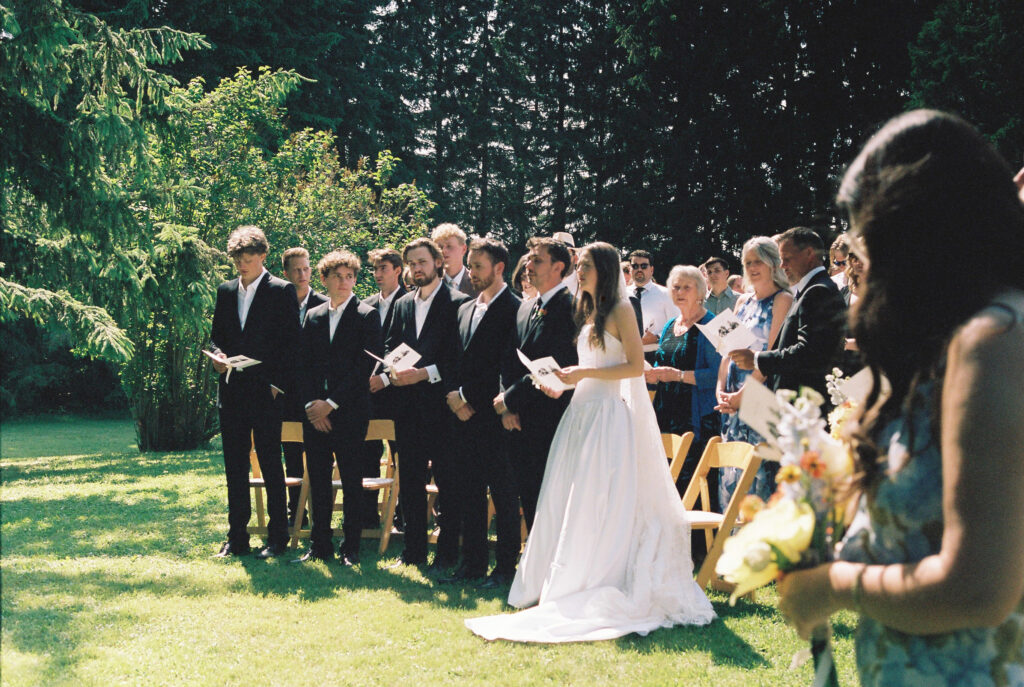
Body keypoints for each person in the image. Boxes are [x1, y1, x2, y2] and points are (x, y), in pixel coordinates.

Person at [778, 109, 1024, 686]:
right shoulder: (956, 340)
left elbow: (979, 589)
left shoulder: (997, 339)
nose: (866, 263)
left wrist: (834, 584)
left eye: (875, 236)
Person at [466, 242, 716, 642]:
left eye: (584, 266)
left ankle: (598, 578)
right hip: (578, 412)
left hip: (606, 415)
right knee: (567, 498)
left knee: (599, 499)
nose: (578, 272)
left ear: (602, 268)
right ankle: (557, 579)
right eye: (577, 266)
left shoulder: (620, 310)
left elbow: (634, 366)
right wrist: (559, 382)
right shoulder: (587, 311)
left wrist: (582, 373)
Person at [208, 225, 301, 558]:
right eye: (237, 258)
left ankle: (277, 538)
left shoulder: (281, 290)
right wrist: (217, 356)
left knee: (270, 465)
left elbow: (292, 345)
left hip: (266, 393)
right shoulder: (225, 290)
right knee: (234, 468)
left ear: (262, 255)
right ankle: (237, 538)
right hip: (231, 390)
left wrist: (277, 386)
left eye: (247, 257)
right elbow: (216, 335)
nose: (241, 264)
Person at [440, 238, 522, 588]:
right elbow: (453, 359)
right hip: (462, 416)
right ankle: (471, 564)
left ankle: (504, 569)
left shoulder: (516, 309)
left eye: (478, 266)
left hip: (495, 415)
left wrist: (469, 396)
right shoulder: (464, 308)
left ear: (499, 268)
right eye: (470, 265)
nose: (471, 272)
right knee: (468, 493)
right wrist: (453, 396)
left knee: (503, 495)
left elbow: (506, 365)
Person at [383, 238, 469, 569]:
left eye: (422, 261)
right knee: (412, 484)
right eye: (412, 263)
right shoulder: (402, 304)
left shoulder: (458, 302)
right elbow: (391, 344)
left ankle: (447, 554)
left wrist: (424, 374)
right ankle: (413, 552)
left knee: (448, 483)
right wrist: (391, 370)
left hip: (443, 408)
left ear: (437, 262)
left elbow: (459, 356)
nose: (417, 268)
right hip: (407, 407)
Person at [294, 250, 382, 565]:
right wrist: (311, 406)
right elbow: (302, 366)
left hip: (349, 411)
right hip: (314, 413)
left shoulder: (367, 315)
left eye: (350, 277)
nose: (344, 283)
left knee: (350, 480)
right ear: (324, 279)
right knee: (318, 480)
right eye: (337, 277)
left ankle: (351, 547)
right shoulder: (313, 315)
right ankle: (320, 545)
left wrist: (330, 404)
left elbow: (364, 368)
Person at [493, 237, 577, 531]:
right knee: (527, 494)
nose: (527, 265)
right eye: (528, 259)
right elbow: (509, 360)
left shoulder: (571, 309)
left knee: (551, 500)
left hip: (551, 418)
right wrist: (506, 404)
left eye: (537, 260)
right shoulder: (525, 308)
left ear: (559, 267)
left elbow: (555, 365)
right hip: (517, 419)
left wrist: (510, 400)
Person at [728, 226, 846, 406]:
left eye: (787, 259)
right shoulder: (809, 289)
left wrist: (757, 359)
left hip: (807, 403)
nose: (782, 266)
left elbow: (809, 352)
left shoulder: (818, 291)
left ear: (809, 254)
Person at [715, 237, 792, 504]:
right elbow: (726, 353)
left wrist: (743, 396)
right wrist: (721, 392)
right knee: (731, 482)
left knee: (758, 482)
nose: (752, 267)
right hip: (732, 402)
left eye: (758, 261)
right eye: (747, 262)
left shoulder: (783, 299)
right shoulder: (741, 303)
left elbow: (770, 357)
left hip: (760, 398)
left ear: (773, 263)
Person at [646, 266, 723, 504]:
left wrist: (678, 375)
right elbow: (661, 360)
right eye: (676, 287)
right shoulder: (670, 324)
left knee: (692, 487)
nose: (679, 292)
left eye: (686, 287)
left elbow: (718, 374)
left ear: (700, 291)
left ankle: (698, 540)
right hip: (666, 412)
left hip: (697, 417)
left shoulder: (713, 323)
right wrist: (653, 373)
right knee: (667, 481)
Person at [280, 247, 326, 528]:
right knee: (292, 456)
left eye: (306, 268)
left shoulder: (324, 303)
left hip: (317, 395)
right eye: (296, 269)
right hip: (286, 395)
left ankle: (322, 514)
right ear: (285, 273)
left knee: (320, 456)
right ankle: (296, 512)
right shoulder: (278, 303)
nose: (302, 274)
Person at [363, 247, 408, 528]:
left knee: (402, 452)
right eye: (375, 269)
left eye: (384, 269)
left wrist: (386, 377)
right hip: (368, 392)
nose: (378, 274)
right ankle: (368, 514)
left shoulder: (410, 301)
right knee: (368, 451)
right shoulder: (366, 304)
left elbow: (407, 347)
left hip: (399, 390)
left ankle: (402, 514)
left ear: (398, 271)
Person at [627, 249, 679, 365]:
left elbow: (677, 325)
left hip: (655, 354)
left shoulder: (666, 294)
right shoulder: (621, 295)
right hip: (627, 355)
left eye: (644, 266)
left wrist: (657, 337)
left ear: (651, 270)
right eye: (635, 266)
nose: (639, 269)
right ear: (630, 270)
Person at [432, 223, 478, 299]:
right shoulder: (431, 284)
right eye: (440, 247)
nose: (443, 251)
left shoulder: (478, 284)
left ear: (463, 249)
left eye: (449, 246)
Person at [553, 231, 579, 296]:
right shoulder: (542, 286)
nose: (560, 258)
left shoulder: (585, 285)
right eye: (555, 254)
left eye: (566, 254)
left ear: (575, 259)